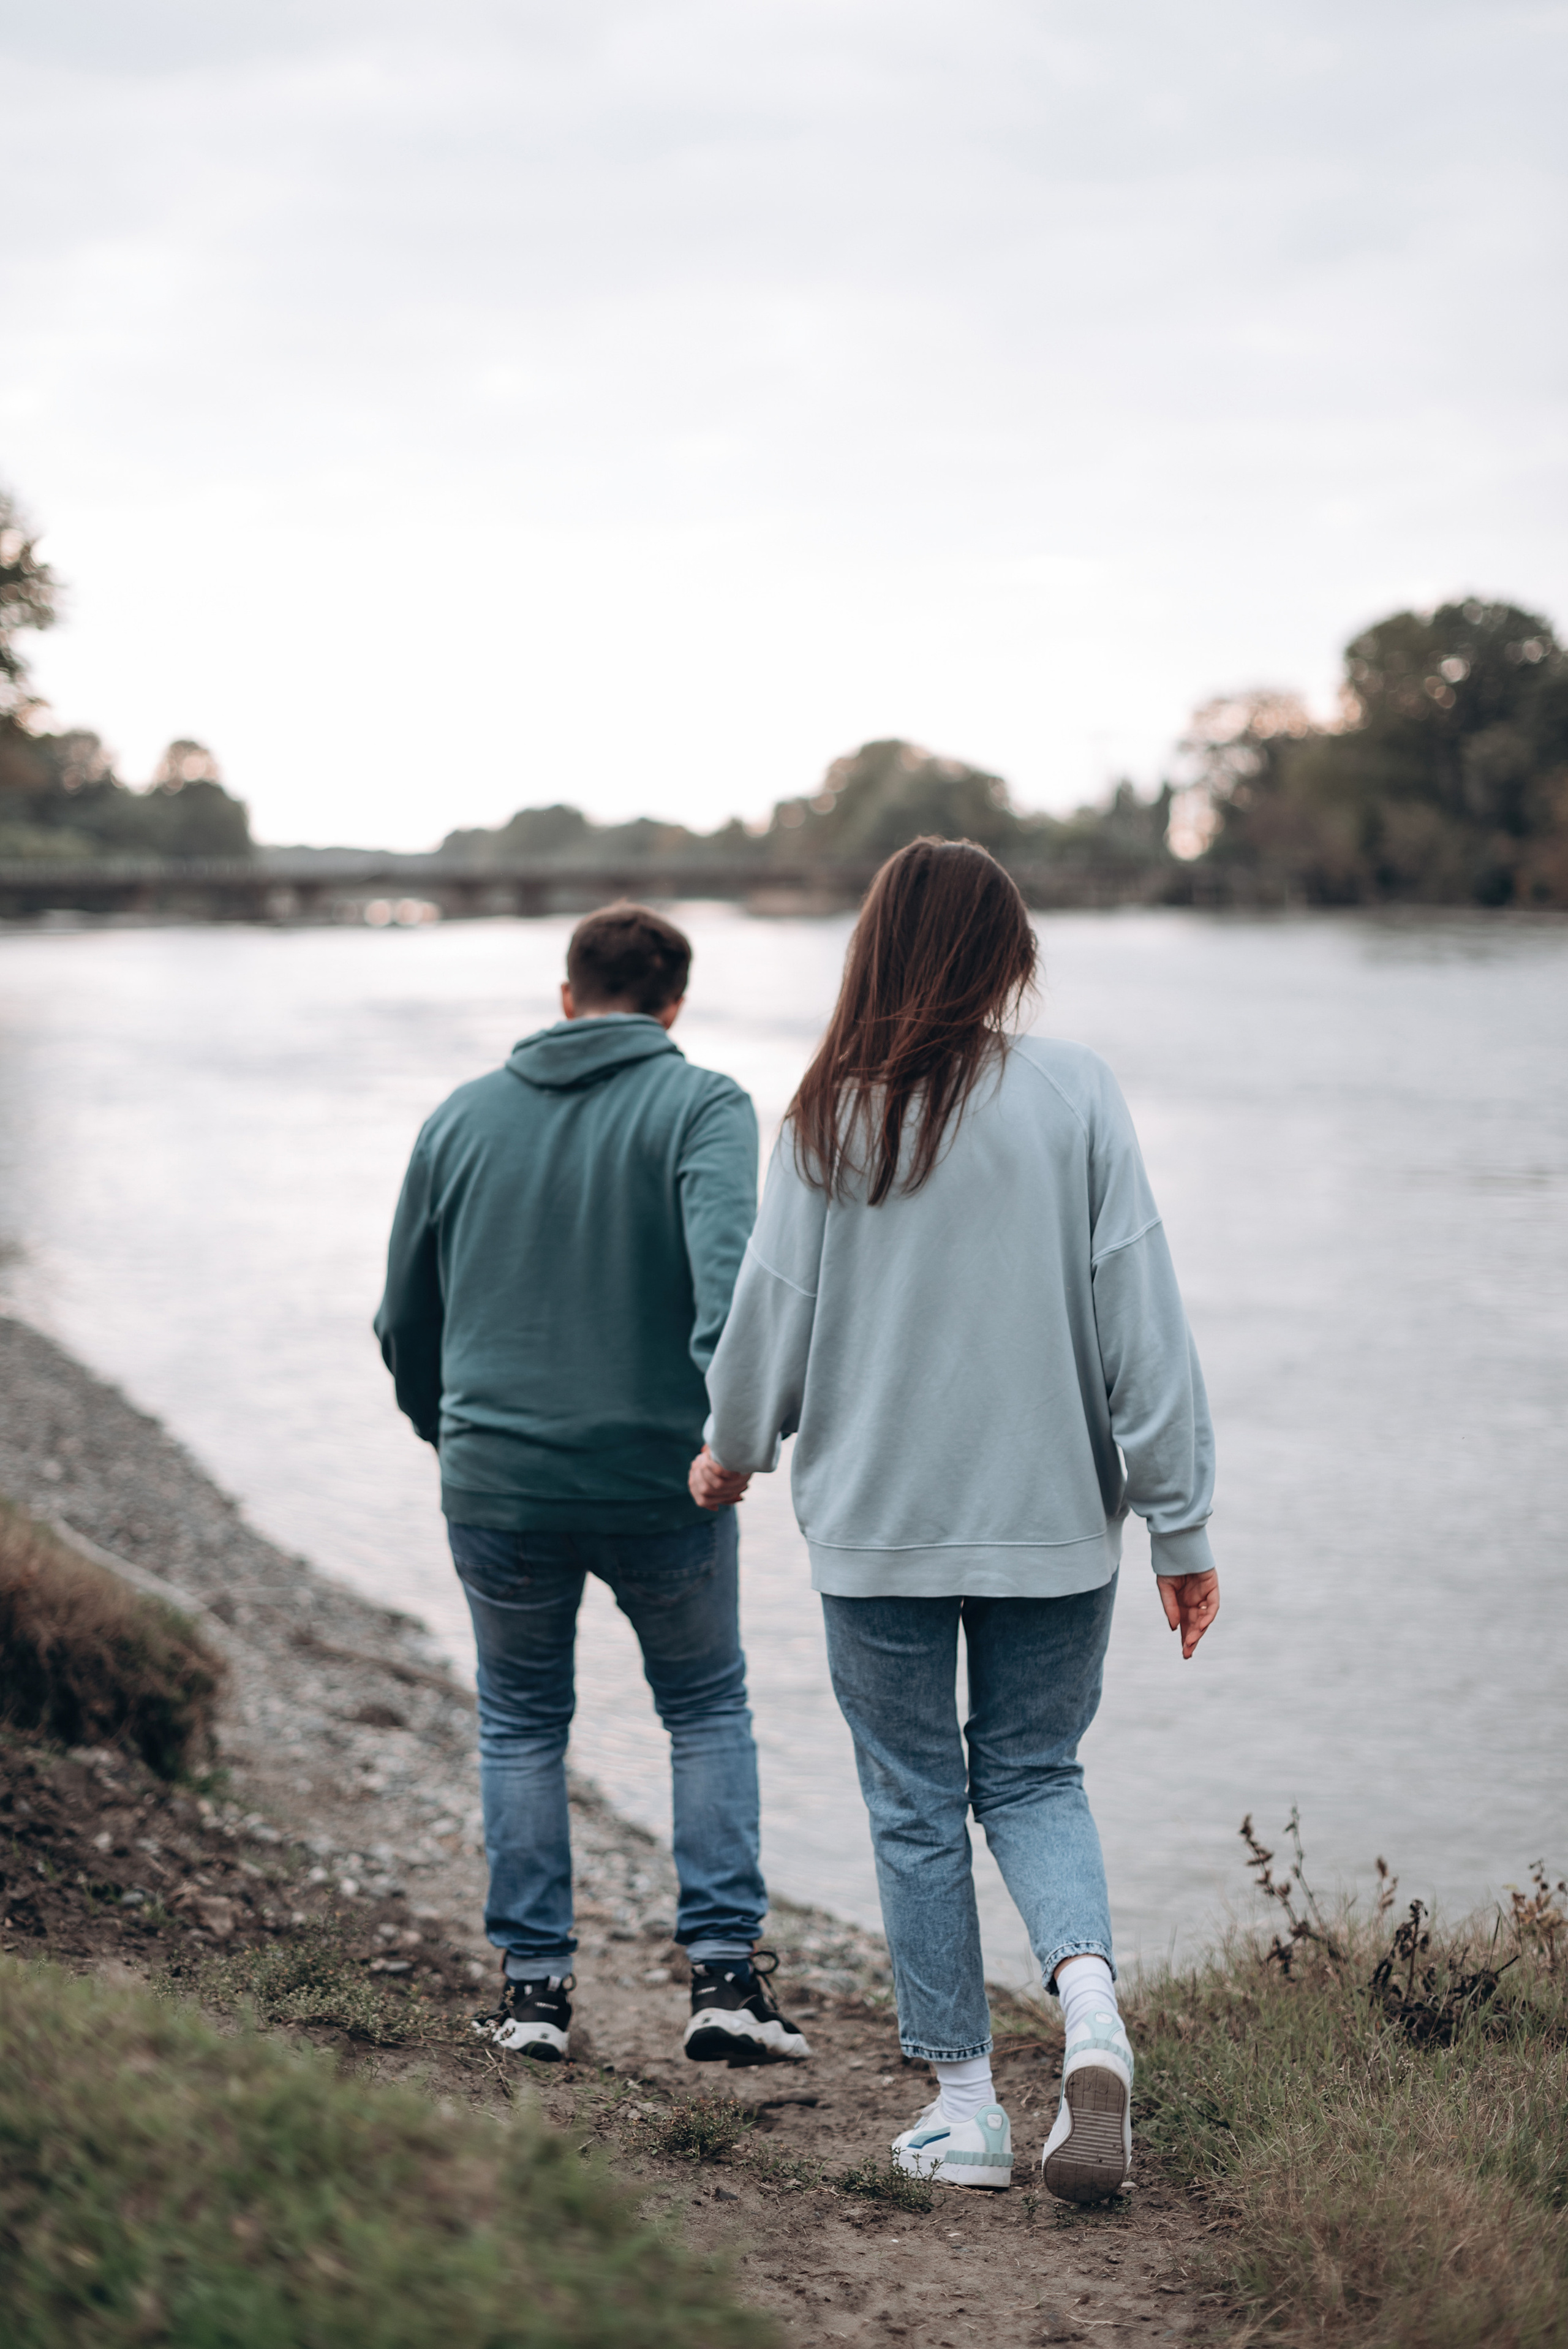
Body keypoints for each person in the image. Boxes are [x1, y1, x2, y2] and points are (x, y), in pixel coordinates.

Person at [689, 839, 1218, 2200]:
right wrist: (1180, 1527)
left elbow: (769, 1325)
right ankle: (1090, 2016)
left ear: (873, 949)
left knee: (915, 1801)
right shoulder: (1076, 1092)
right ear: (1005, 955)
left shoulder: (823, 1118)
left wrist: (731, 1451)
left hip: (878, 1528)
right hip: (1051, 1524)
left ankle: (969, 2109)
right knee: (1035, 1775)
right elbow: (1138, 1328)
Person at [375, 901, 810, 2069]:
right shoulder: (702, 1103)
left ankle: (533, 1999)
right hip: (662, 1481)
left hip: (496, 1478)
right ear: (674, 1004)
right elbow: (734, 1292)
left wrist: (449, 1434)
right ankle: (724, 1983)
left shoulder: (460, 1117)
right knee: (706, 1707)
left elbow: (403, 1317)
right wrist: (740, 1440)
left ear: (567, 996)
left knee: (520, 1722)